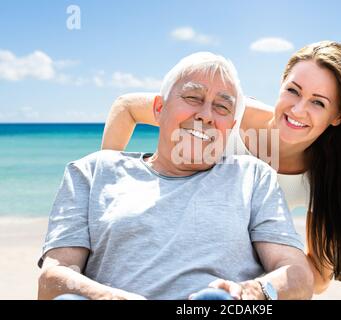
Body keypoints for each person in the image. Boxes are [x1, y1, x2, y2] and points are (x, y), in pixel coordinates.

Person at [101, 41, 341, 289]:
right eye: (293, 90)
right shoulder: (228, 114)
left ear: (338, 116)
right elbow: (126, 107)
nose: (298, 109)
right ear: (280, 86)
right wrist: (104, 193)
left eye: (318, 102)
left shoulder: (326, 178)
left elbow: (317, 277)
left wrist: (256, 274)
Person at [38, 52, 314, 300]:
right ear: (159, 108)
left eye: (222, 107)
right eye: (193, 98)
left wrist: (251, 293)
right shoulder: (91, 171)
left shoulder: (253, 177)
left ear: (230, 127)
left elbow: (297, 274)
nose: (206, 115)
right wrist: (110, 298)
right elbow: (54, 278)